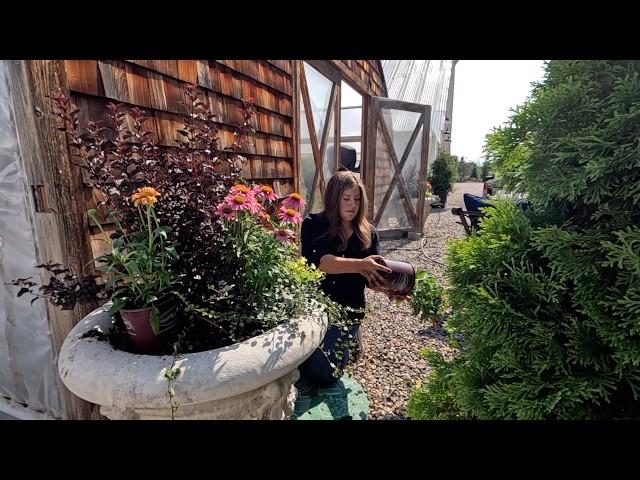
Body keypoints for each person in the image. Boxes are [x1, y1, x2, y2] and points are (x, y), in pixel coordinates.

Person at [299, 171, 407, 386]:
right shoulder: (314, 224)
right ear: (333, 199)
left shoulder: (369, 232)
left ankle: (348, 338)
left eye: (357, 199)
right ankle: (345, 342)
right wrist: (360, 264)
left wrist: (389, 288)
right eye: (346, 198)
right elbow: (321, 263)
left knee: (324, 375)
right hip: (316, 307)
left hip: (350, 309)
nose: (352, 205)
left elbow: (371, 277)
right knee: (303, 369)